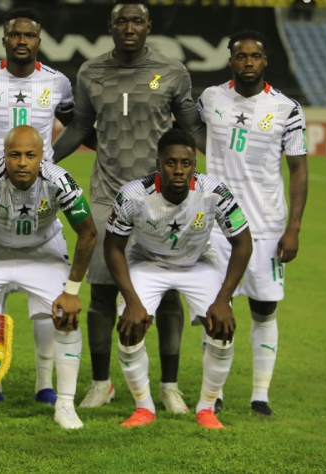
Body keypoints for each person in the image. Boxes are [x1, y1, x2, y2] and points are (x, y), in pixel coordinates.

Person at [52, 0, 199, 413]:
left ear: (148, 27)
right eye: (122, 21)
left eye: (137, 21)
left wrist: (223, 167)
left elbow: (191, 130)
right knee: (101, 292)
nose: (129, 28)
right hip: (107, 195)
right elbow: (81, 125)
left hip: (161, 198)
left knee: (166, 295)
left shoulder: (172, 72)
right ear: (111, 27)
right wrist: (46, 162)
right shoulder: (91, 71)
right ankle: (102, 384)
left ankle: (169, 386)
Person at [0, 126, 97, 429]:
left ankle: (65, 405)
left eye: (30, 155)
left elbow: (88, 233)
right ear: (5, 155)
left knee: (66, 316)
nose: (22, 162)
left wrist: (71, 290)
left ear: (42, 156)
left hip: (43, 250)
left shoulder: (59, 181)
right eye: (15, 155)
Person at [0, 7, 74, 405]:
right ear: (4, 39)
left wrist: (51, 159)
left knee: (48, 308)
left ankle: (45, 384)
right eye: (15, 34)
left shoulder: (57, 82)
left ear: (38, 41)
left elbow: (73, 124)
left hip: (40, 198)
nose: (22, 40)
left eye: (29, 35)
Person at [104, 129, 252, 429]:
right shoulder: (132, 194)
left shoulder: (215, 192)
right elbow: (112, 247)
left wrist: (223, 300)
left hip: (197, 263)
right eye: (171, 163)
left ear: (195, 164)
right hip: (147, 263)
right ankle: (144, 407)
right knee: (130, 329)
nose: (179, 170)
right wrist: (132, 301)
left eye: (186, 163)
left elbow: (243, 243)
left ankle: (206, 409)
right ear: (158, 164)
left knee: (223, 330)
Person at [193, 30, 308, 416]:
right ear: (230, 61)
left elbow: (298, 170)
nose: (248, 62)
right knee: (214, 309)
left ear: (265, 61)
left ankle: (260, 395)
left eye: (255, 56)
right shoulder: (210, 98)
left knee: (264, 309)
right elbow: (190, 130)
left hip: (266, 227)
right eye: (241, 56)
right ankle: (213, 393)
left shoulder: (287, 109)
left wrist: (293, 228)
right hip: (216, 228)